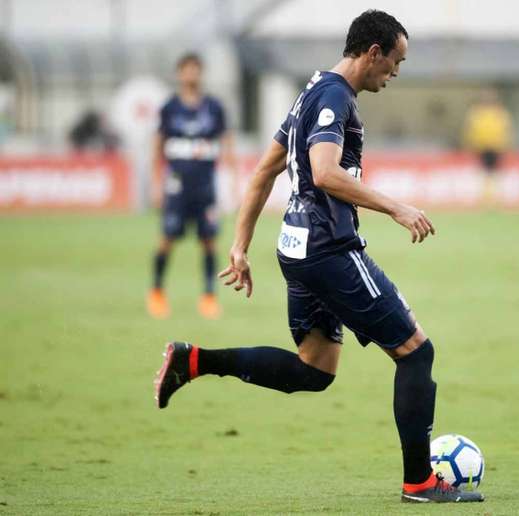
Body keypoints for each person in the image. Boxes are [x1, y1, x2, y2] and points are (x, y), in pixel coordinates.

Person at [153, 10, 484, 504]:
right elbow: (325, 173)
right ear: (373, 53)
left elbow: (265, 170)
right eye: (395, 63)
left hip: (297, 248)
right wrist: (397, 207)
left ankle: (194, 361)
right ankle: (419, 482)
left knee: (315, 369)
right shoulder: (333, 96)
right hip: (328, 247)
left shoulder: (312, 91)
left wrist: (241, 244)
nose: (395, 74)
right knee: (417, 352)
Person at [146, 52, 236, 320]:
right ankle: (157, 292)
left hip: (205, 186)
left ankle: (209, 296)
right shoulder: (169, 108)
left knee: (209, 241)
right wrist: (155, 184)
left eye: (196, 69)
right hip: (177, 186)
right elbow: (158, 147)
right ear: (179, 74)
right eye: (186, 70)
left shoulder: (214, 107)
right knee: (167, 239)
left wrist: (233, 181)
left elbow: (227, 142)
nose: (191, 74)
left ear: (201, 73)